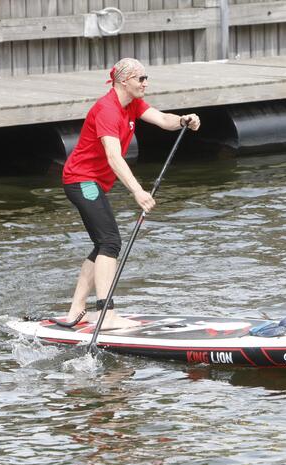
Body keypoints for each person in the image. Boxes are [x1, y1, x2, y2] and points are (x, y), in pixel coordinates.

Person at [53, 57, 201, 330]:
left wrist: (182, 120)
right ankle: (106, 313)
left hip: (92, 183)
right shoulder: (107, 110)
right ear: (124, 81)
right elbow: (113, 156)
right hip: (81, 181)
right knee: (110, 242)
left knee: (102, 244)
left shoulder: (131, 104)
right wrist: (137, 191)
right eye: (141, 78)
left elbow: (161, 119)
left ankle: (76, 309)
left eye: (146, 78)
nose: (146, 83)